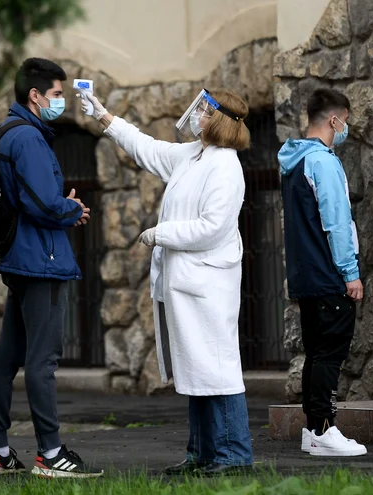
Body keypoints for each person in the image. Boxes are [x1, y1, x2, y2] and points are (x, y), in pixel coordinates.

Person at [79, 88, 254, 476]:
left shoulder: (225, 167)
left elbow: (211, 228)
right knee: (196, 370)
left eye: (205, 111)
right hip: (188, 285)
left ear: (220, 121)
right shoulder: (194, 155)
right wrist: (105, 118)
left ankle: (233, 456)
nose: (197, 115)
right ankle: (203, 454)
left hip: (208, 285)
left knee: (217, 369)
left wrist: (163, 233)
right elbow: (148, 149)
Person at [0, 58, 103, 478]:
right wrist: (72, 208)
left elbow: (30, 198)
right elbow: (42, 204)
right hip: (41, 262)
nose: (59, 102)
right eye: (55, 94)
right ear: (35, 95)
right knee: (41, 361)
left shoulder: (4, 133)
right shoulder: (29, 139)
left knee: (7, 357)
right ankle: (51, 454)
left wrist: (61, 207)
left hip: (19, 259)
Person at [278, 88, 367, 457]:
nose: (345, 127)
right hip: (329, 275)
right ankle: (324, 429)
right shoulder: (324, 162)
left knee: (316, 353)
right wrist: (351, 272)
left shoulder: (293, 161)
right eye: (345, 121)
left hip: (305, 276)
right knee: (329, 354)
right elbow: (337, 222)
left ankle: (314, 430)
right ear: (334, 120)